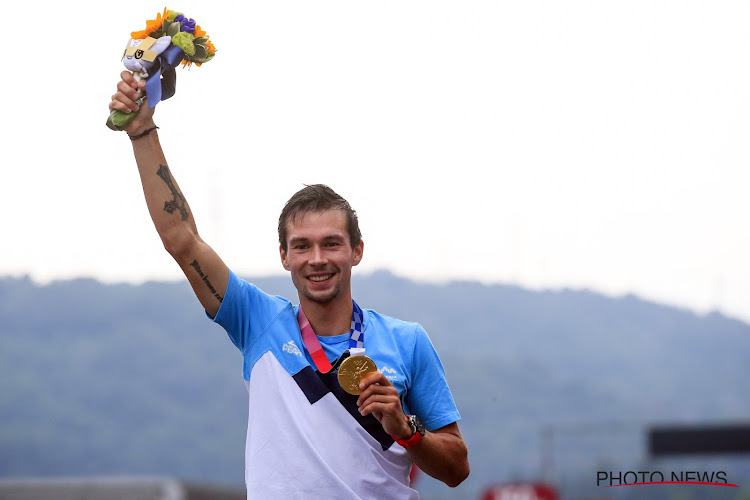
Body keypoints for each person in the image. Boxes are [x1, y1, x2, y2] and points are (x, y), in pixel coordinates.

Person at [109, 71, 469, 498]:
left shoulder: (407, 341)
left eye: (331, 244)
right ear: (284, 256)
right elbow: (182, 240)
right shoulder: (257, 321)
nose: (317, 259)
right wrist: (141, 131)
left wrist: (406, 430)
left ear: (356, 251)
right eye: (302, 246)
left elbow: (457, 468)